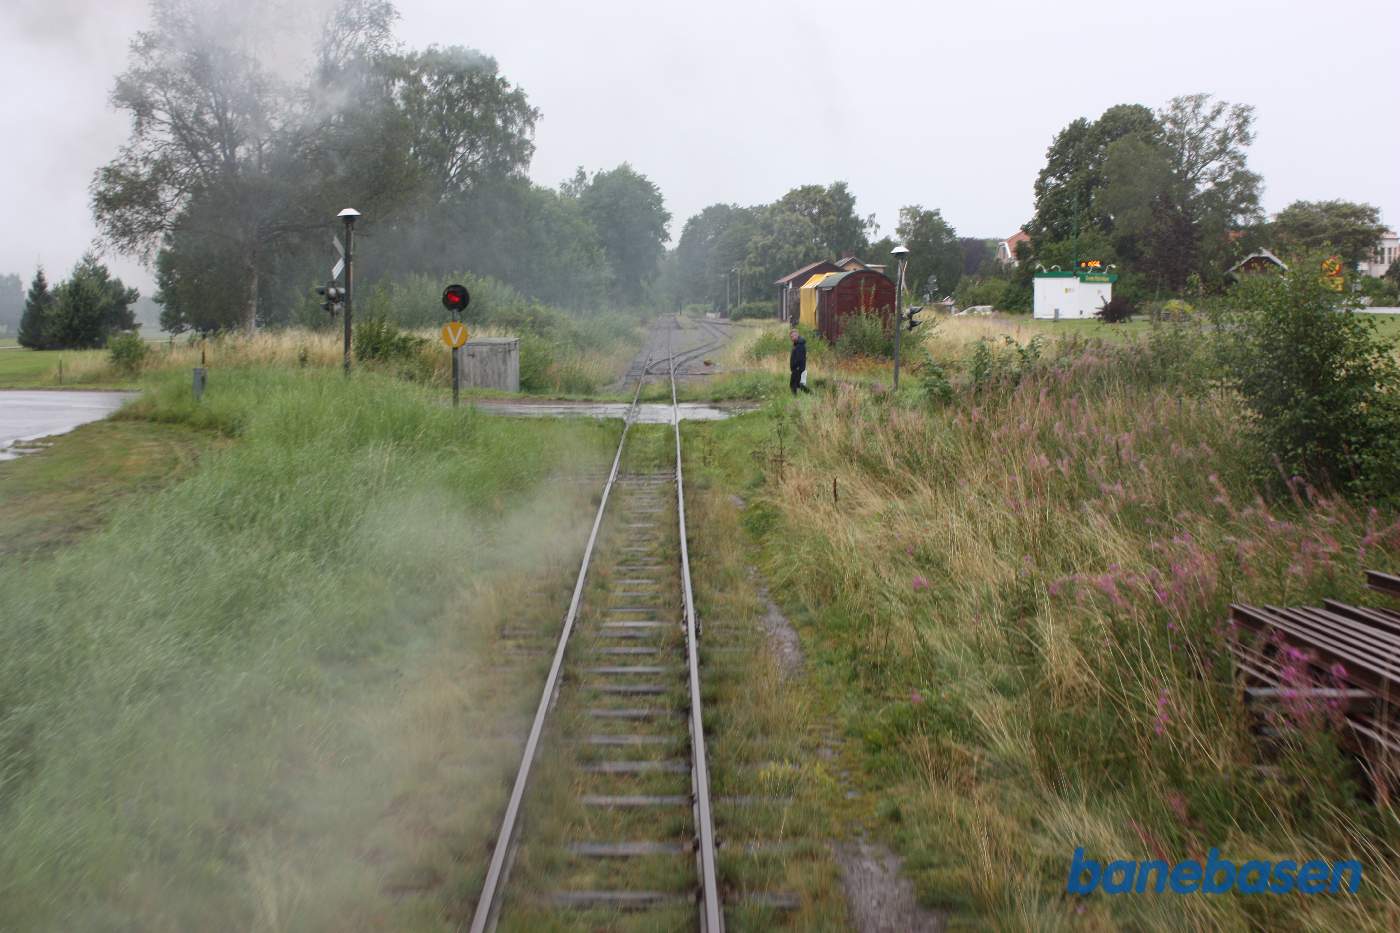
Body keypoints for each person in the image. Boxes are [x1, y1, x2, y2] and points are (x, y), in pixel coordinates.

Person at [789, 328, 811, 395]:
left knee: (793, 385)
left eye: (794, 335)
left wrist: (797, 367)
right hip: (796, 368)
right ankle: (811, 394)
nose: (793, 337)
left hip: (798, 368)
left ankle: (795, 399)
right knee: (798, 385)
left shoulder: (800, 344)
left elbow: (800, 358)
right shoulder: (796, 344)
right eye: (792, 336)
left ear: (798, 335)